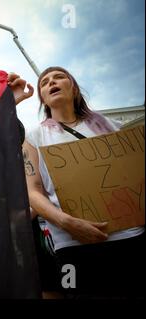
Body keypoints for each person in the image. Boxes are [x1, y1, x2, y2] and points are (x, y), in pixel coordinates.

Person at [22, 66, 145, 298]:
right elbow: (33, 191)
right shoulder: (33, 137)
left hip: (130, 237)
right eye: (44, 82)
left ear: (74, 88)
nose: (51, 82)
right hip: (73, 245)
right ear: (43, 99)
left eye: (59, 77)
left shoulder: (111, 128)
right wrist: (67, 223)